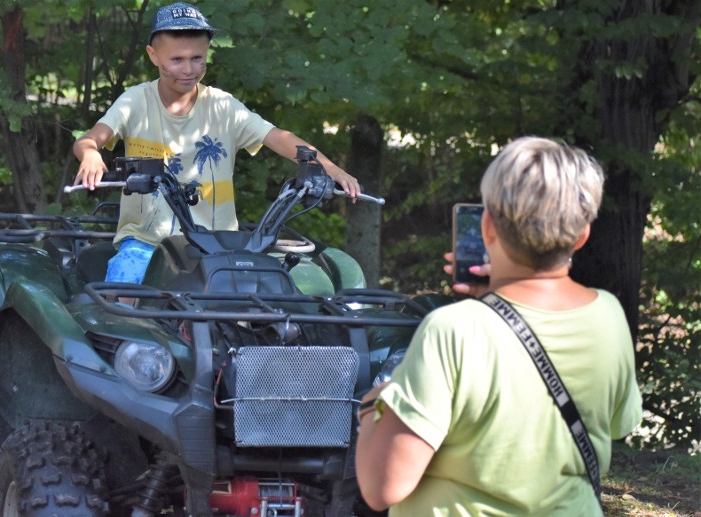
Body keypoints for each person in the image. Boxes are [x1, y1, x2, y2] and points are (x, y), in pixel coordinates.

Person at [355, 137, 642, 516]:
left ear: (487, 226)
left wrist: (375, 401)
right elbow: (622, 423)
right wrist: (495, 301)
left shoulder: (452, 330)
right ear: (582, 236)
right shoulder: (609, 315)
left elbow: (382, 487)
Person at [72, 2, 360, 284]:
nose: (189, 69)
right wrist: (90, 154)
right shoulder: (136, 101)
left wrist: (332, 171)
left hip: (218, 246)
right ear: (153, 55)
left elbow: (279, 138)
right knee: (122, 292)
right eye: (177, 59)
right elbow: (90, 139)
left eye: (197, 58)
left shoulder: (223, 106)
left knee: (255, 310)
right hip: (147, 242)